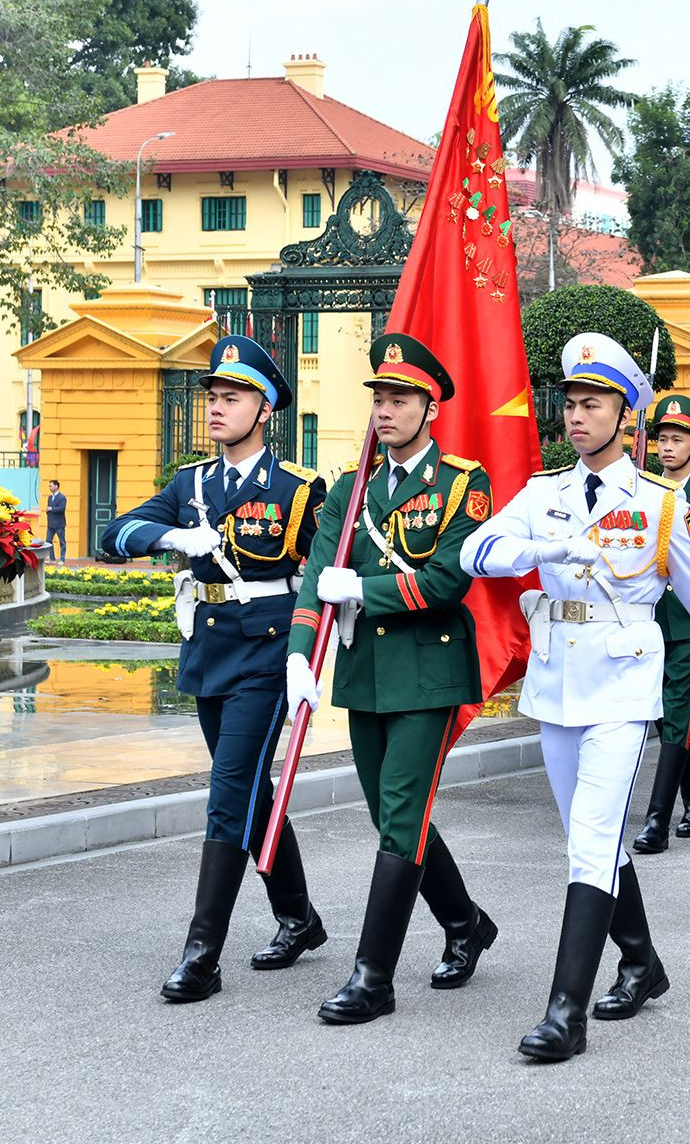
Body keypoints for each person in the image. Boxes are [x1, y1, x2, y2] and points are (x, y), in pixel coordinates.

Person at [464, 335, 690, 1062]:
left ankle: (564, 1011)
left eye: (591, 404)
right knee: (588, 839)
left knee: (595, 838)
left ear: (624, 414)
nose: (576, 416)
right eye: (569, 404)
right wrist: (541, 552)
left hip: (624, 682)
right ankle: (641, 961)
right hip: (556, 680)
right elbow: (472, 553)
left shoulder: (660, 505)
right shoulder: (546, 494)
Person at [100, 334, 327, 1004]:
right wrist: (169, 536)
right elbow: (110, 536)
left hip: (266, 655)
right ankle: (300, 918)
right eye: (214, 398)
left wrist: (307, 660)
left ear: (264, 409)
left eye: (232, 398)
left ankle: (202, 955)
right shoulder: (190, 485)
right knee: (253, 795)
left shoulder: (296, 490)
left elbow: (323, 578)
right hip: (208, 652)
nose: (217, 409)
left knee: (228, 796)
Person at [286, 333, 497, 1025]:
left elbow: (445, 581)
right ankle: (465, 922)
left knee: (400, 814)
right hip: (368, 674)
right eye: (378, 397)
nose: (385, 409)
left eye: (400, 398)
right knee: (391, 816)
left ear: (429, 406)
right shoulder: (350, 490)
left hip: (429, 672)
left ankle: (372, 976)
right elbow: (317, 581)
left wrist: (364, 592)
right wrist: (299, 655)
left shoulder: (465, 484)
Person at [632, 393, 690, 854]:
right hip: (648, 617)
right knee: (659, 713)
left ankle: (657, 820)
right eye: (663, 439)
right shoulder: (639, 491)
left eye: (679, 439)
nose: (668, 448)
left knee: (676, 714)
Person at [45, 480, 67, 562]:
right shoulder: (50, 497)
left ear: (56, 486)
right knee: (48, 541)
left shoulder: (62, 497)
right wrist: (47, 511)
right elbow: (49, 507)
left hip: (59, 524)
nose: (49, 487)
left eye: (51, 486)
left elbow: (62, 509)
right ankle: (52, 558)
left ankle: (62, 558)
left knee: (62, 541)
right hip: (50, 524)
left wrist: (51, 509)